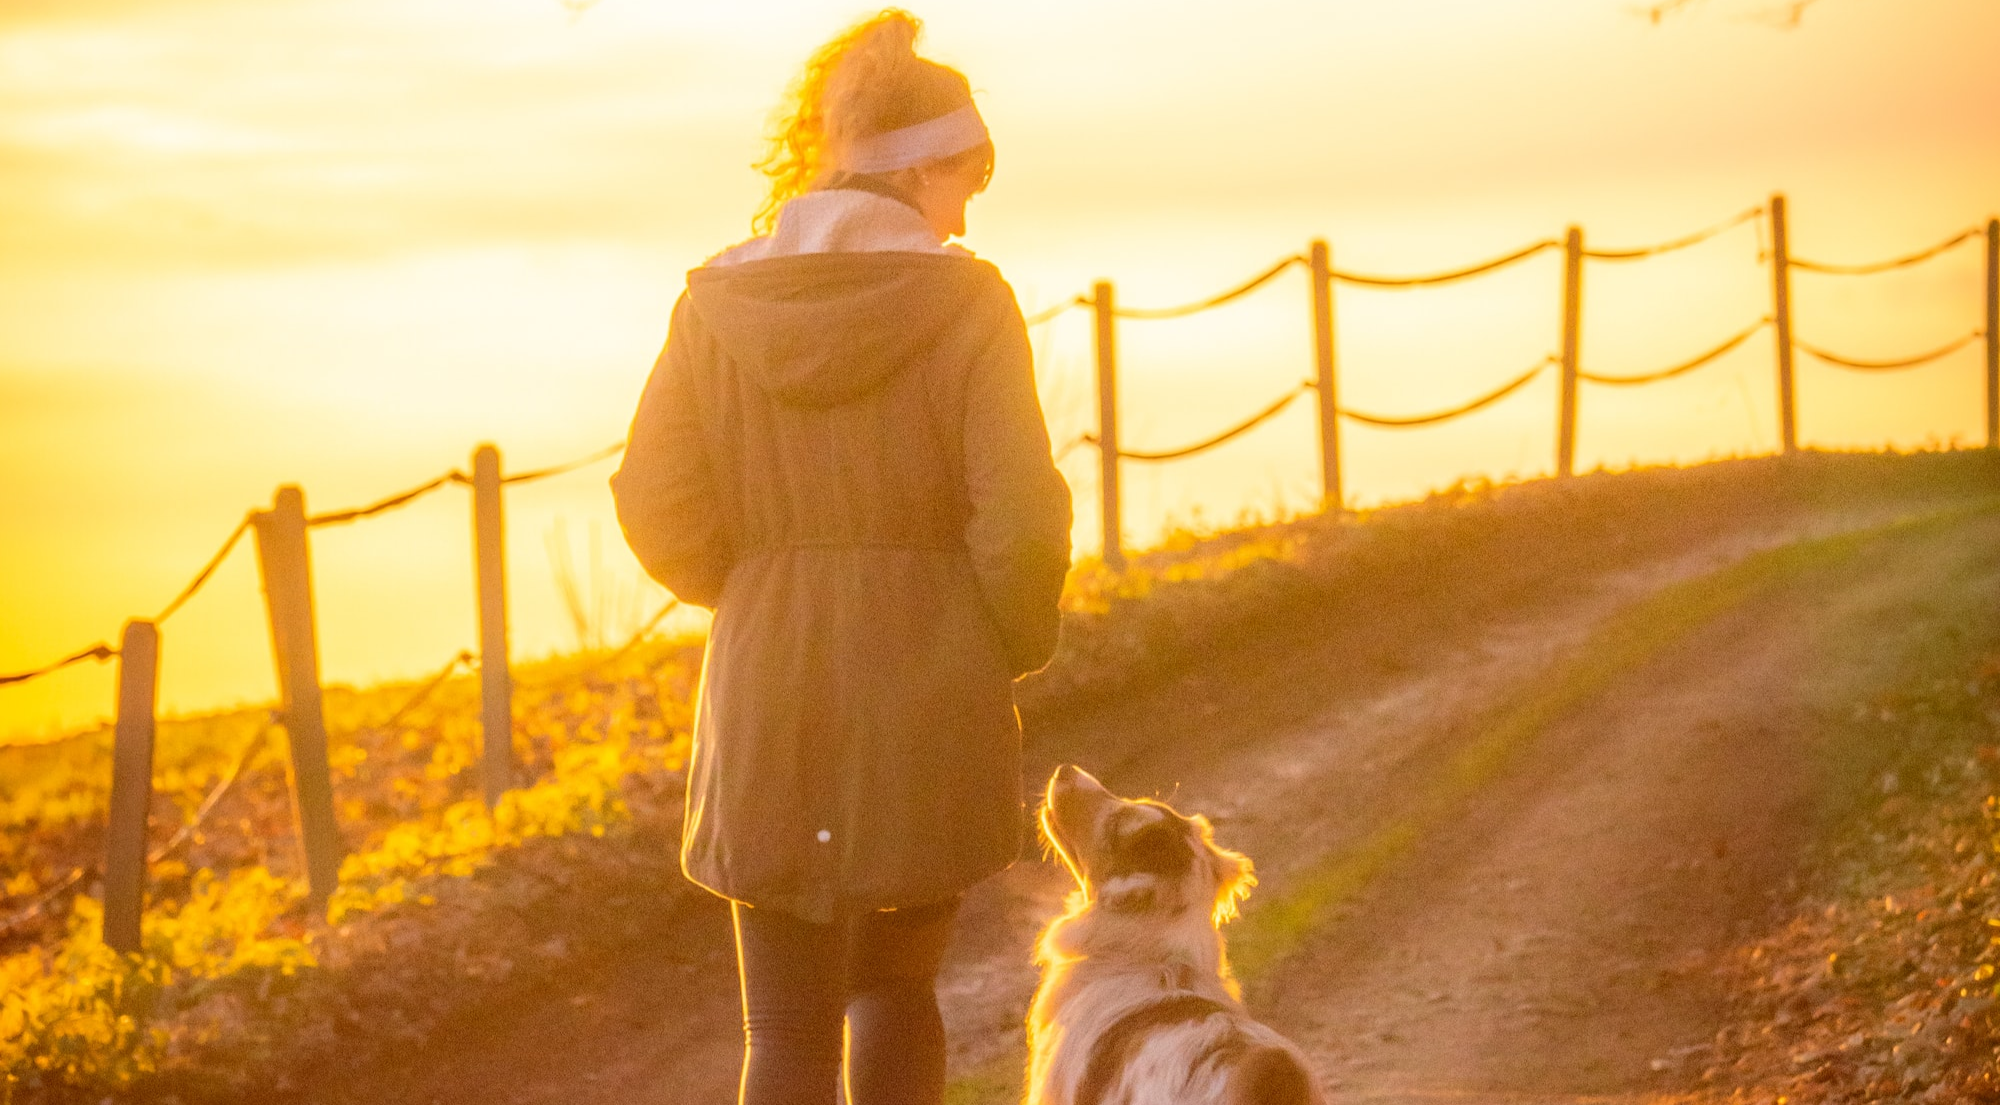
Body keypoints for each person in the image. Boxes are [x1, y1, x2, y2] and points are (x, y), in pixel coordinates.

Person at [609, 10, 1073, 1105]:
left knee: (783, 1030)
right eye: (968, 182)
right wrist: (993, 646)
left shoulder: (713, 303)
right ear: (923, 170)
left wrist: (762, 590)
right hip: (923, 688)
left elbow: (652, 499)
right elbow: (1020, 521)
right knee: (895, 994)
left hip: (767, 686)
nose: (966, 215)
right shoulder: (969, 302)